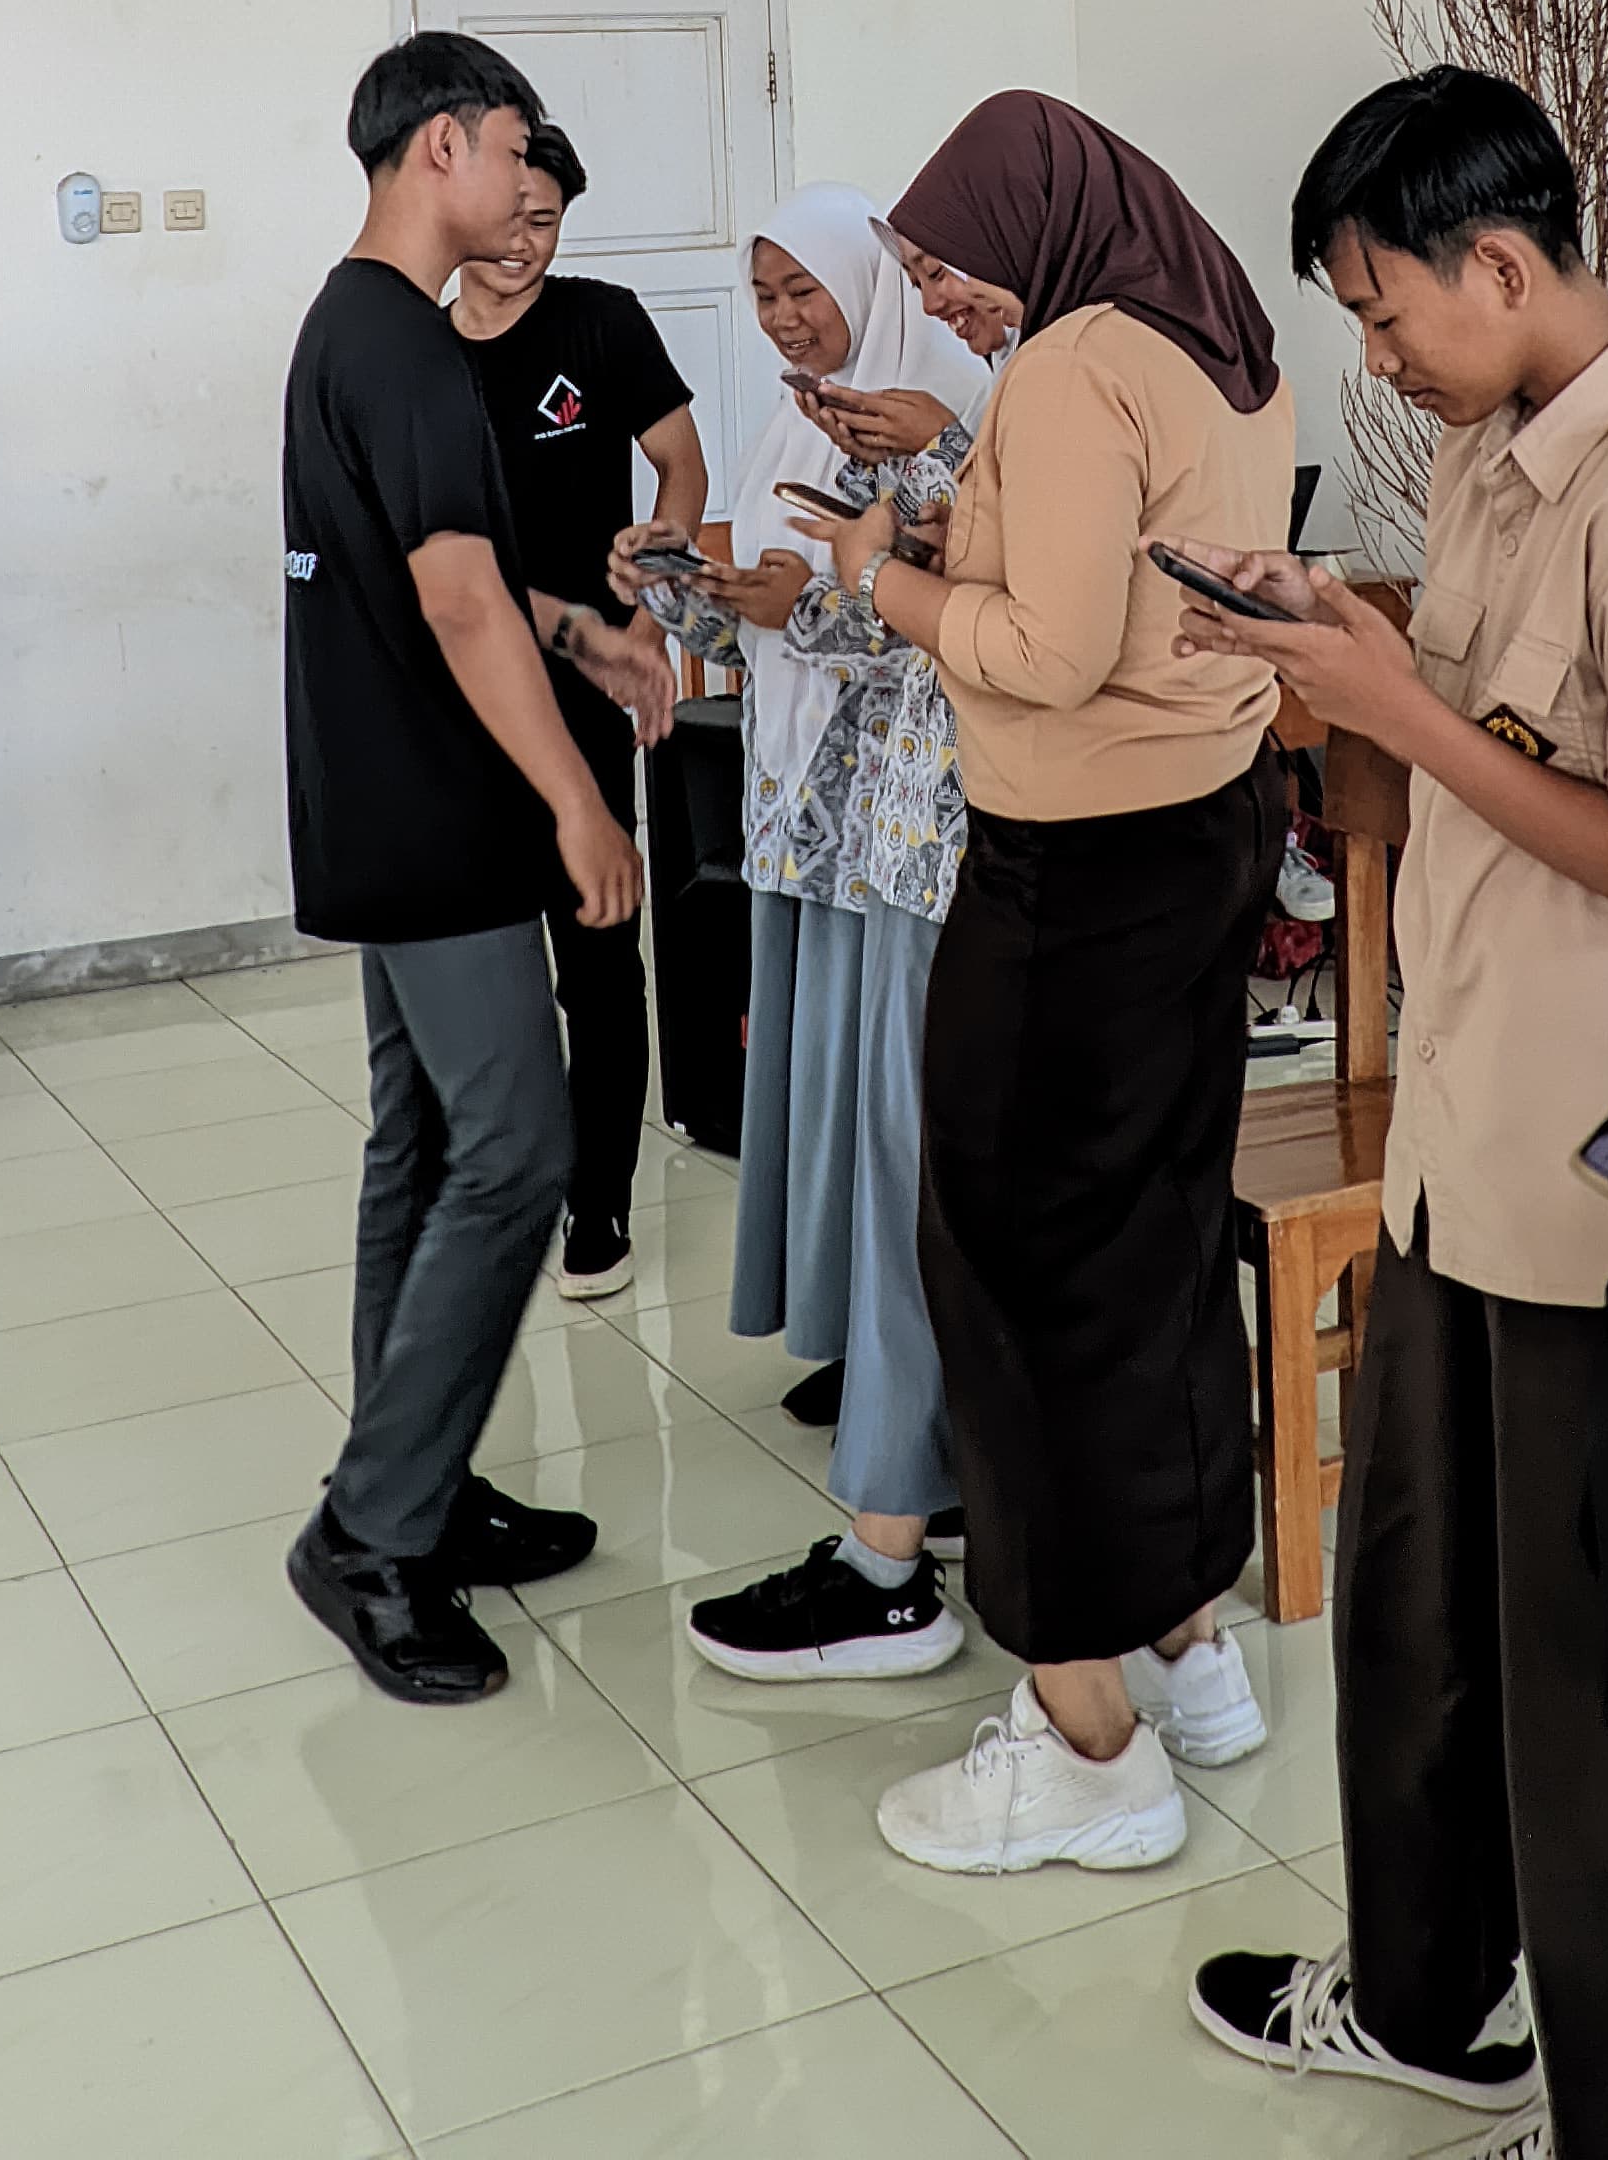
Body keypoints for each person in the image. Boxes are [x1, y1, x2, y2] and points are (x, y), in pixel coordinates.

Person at [1178, 68, 1608, 2160]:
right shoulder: (1489, 448)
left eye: (1385, 309)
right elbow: (1476, 707)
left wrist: (1399, 708)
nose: (1375, 352)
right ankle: (1435, 2000)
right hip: (1471, 1123)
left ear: (1506, 262)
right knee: (1421, 1583)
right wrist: (1343, 644)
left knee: (1607, 1663)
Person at [838, 92, 1296, 1877]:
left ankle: (1083, 1738)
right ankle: (1191, 1646)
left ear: (1034, 222)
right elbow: (1122, 580)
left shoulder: (1073, 364)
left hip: (1074, 878)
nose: (943, 300)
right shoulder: (1218, 337)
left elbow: (1049, 652)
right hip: (1203, 837)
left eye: (948, 266)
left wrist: (885, 580)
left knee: (1014, 1278)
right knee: (1160, 1249)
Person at [280, 31, 673, 1709]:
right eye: (517, 147)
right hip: (443, 816)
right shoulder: (414, 349)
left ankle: (415, 1487)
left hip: (376, 802)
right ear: (445, 144)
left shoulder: (351, 326)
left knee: (424, 1144)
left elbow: (480, 588)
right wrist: (580, 806)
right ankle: (372, 1534)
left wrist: (581, 632)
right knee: (516, 1146)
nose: (533, 179)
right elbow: (450, 599)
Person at [627, 189, 986, 1681]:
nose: (784, 317)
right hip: (812, 824)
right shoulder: (799, 427)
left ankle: (920, 1473)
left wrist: (810, 599)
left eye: (802, 289)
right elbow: (765, 631)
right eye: (763, 293)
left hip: (912, 829)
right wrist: (684, 591)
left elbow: (937, 610)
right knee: (838, 1103)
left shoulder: (952, 407)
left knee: (905, 1127)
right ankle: (881, 1381)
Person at [449, 117, 705, 1300]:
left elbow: (680, 463)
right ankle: (496, 1179)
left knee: (598, 956)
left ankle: (595, 1203)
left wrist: (654, 591)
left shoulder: (600, 321)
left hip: (591, 679)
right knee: (483, 970)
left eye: (548, 223)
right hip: (459, 698)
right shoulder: (419, 350)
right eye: (513, 219)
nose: (527, 244)